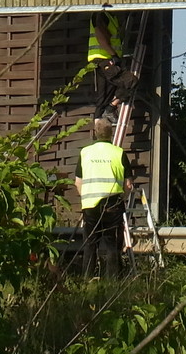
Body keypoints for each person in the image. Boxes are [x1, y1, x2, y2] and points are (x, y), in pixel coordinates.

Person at [74, 118, 132, 277]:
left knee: (90, 244)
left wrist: (86, 197)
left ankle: (87, 280)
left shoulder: (85, 153)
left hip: (90, 205)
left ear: (95, 133)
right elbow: (128, 184)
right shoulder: (119, 153)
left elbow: (78, 182)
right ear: (111, 134)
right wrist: (122, 199)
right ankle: (112, 282)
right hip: (113, 203)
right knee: (112, 244)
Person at [88, 5, 137, 119]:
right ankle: (110, 109)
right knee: (131, 82)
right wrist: (113, 55)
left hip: (103, 60)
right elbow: (100, 37)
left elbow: (108, 35)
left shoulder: (109, 17)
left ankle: (100, 126)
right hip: (105, 59)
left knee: (103, 98)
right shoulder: (100, 14)